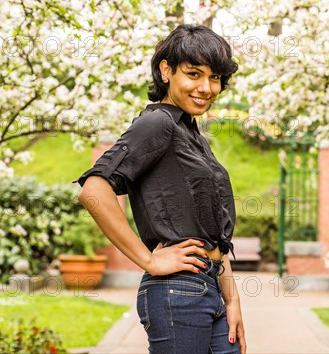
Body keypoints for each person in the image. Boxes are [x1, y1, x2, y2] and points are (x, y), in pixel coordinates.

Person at [75, 24, 246, 354]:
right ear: (166, 70)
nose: (206, 87)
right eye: (194, 74)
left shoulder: (193, 135)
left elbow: (215, 237)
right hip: (177, 290)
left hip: (212, 286)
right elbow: (93, 189)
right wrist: (149, 261)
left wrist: (233, 299)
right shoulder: (158, 123)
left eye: (215, 78)